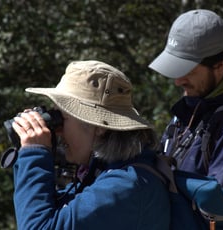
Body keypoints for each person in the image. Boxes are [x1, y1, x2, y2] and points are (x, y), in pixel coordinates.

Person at [10, 60, 170, 229]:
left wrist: (34, 153)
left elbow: (37, 226)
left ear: (99, 127)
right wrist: (28, 148)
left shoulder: (126, 185)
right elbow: (44, 209)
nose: (56, 131)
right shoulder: (104, 173)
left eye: (61, 119)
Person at [149, 9, 223, 221]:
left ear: (220, 66)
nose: (177, 81)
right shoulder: (187, 114)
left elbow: (218, 216)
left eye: (188, 70)